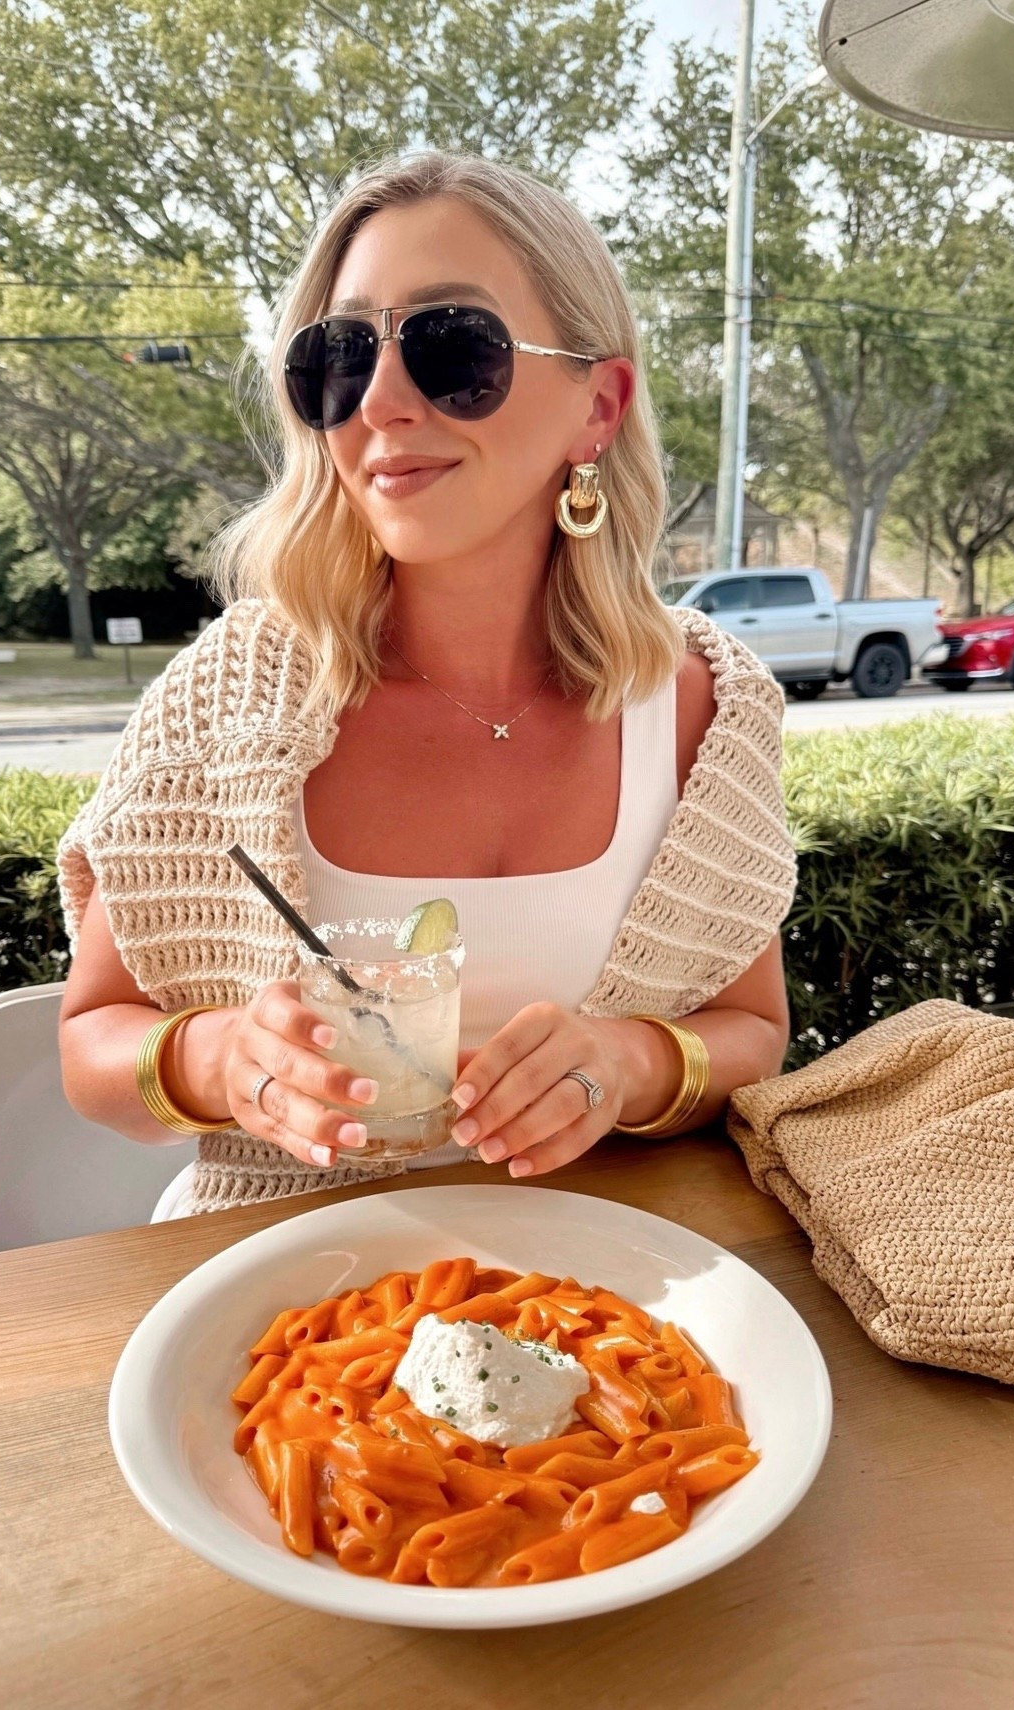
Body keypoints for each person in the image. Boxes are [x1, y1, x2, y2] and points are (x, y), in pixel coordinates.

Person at [56, 149, 798, 1219]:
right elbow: (91, 1044)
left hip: (608, 1294)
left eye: (453, 348)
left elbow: (754, 1031)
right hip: (280, 1307)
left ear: (599, 406)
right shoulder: (224, 701)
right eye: (340, 358)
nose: (383, 402)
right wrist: (225, 1061)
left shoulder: (705, 711)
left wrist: (625, 1066)